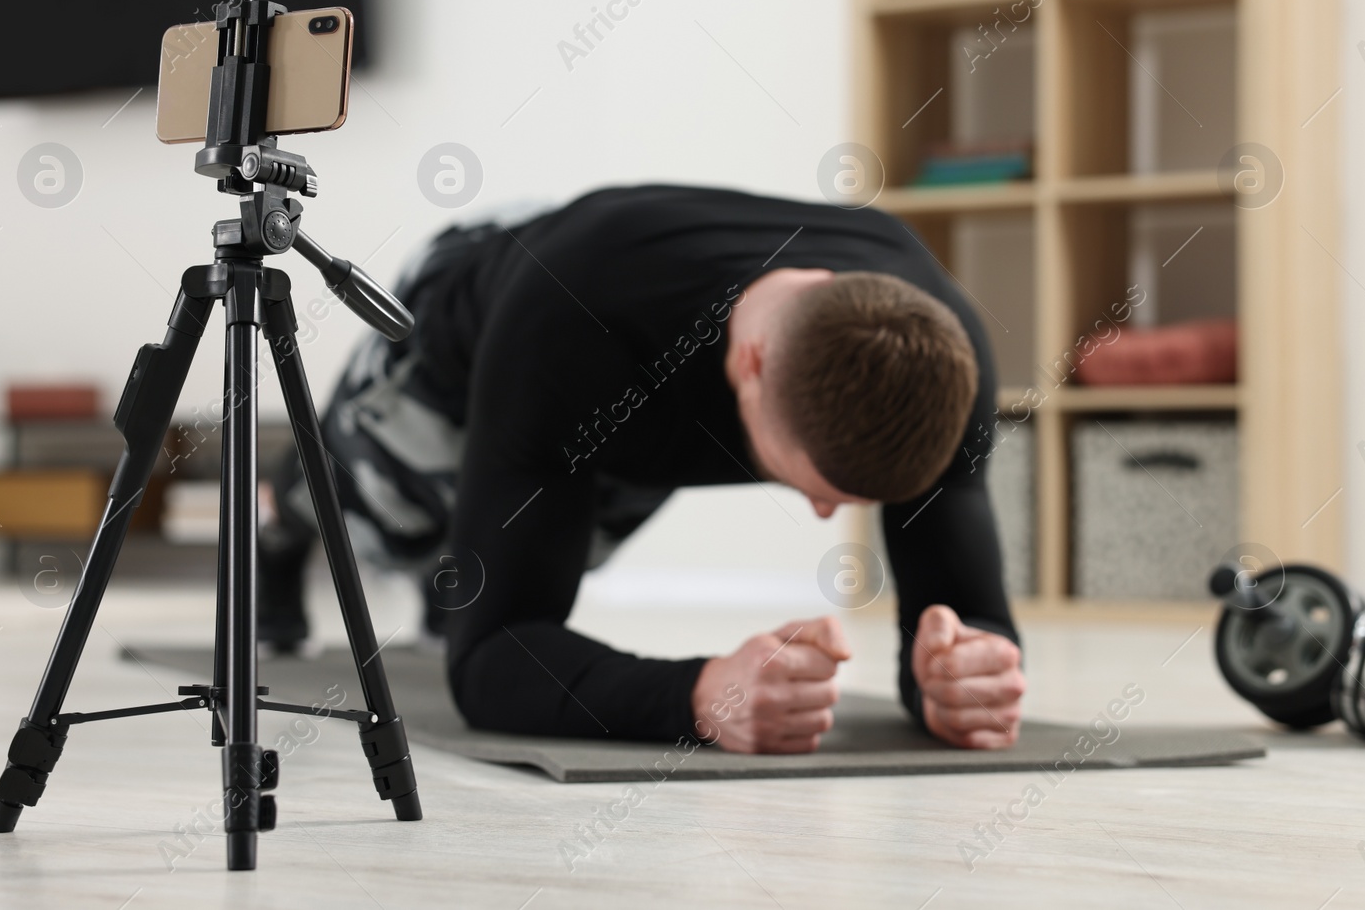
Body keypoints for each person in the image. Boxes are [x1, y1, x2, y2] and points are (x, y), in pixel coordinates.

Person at [257, 184, 1025, 753]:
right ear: (752, 363)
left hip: (636, 386)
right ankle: (278, 526)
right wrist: (699, 696)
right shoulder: (567, 334)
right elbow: (492, 662)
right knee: (364, 514)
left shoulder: (938, 357)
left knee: (503, 560)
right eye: (810, 485)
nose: (825, 514)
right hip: (478, 316)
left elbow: (969, 614)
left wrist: (961, 676)